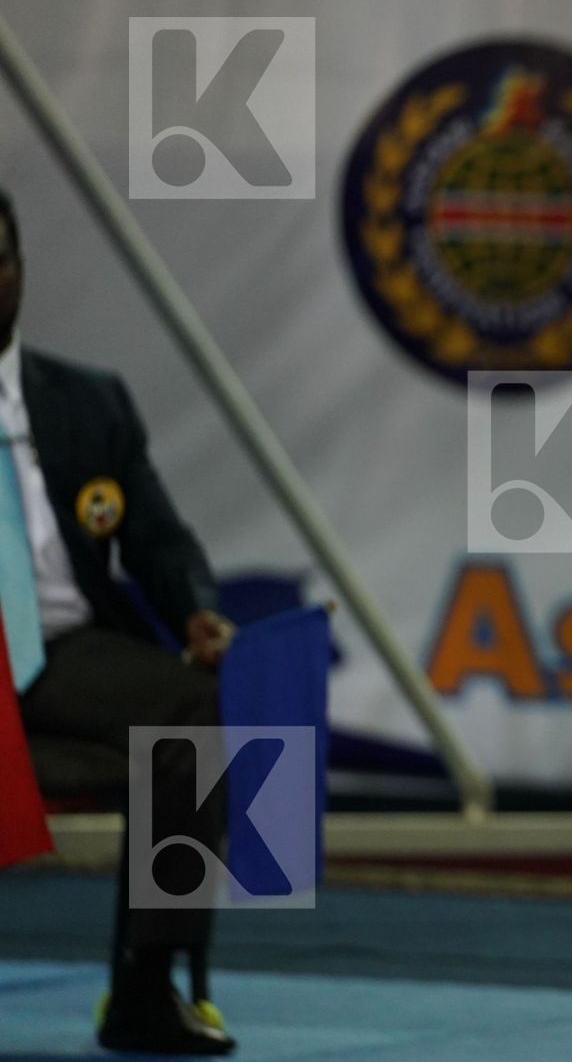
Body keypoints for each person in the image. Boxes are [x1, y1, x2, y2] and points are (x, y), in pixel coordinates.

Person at [0, 185, 238, 1055]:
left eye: (0, 259)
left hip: (60, 653)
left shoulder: (86, 402)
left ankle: (146, 984)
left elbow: (157, 540)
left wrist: (198, 610)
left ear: (20, 271)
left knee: (187, 713)